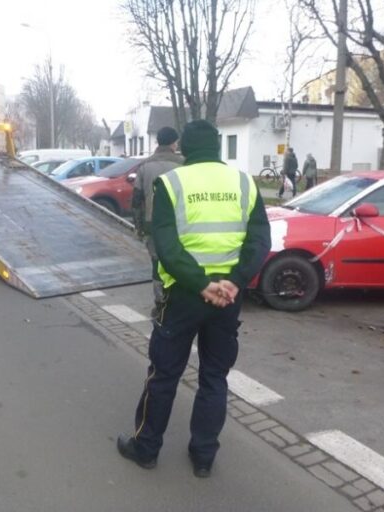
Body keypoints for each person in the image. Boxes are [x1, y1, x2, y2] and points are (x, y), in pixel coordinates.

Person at [117, 120, 271, 478]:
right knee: (214, 377)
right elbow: (260, 241)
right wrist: (233, 282)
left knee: (164, 375)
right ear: (217, 147)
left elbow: (167, 247)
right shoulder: (244, 183)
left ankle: (146, 449)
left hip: (183, 297)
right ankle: (203, 457)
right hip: (227, 300)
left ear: (184, 147)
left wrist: (201, 284)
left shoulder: (171, 183)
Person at [132, 126, 184, 317]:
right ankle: (178, 301)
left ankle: (161, 303)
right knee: (178, 262)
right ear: (173, 143)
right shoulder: (183, 164)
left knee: (157, 266)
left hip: (152, 224)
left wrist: (138, 227)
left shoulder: (144, 166)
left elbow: (136, 200)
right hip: (179, 225)